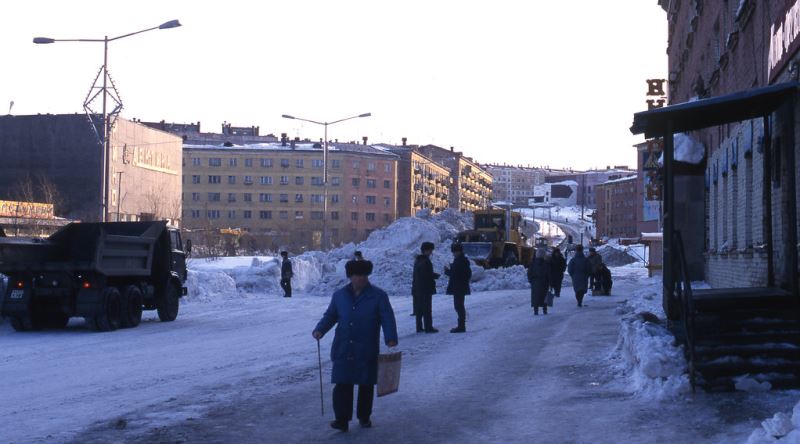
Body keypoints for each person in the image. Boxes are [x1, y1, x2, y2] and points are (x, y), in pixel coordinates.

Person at [312, 260, 398, 432]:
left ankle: (364, 416)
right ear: (350, 276)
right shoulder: (339, 295)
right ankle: (341, 420)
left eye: (364, 275)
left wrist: (390, 337)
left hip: (366, 347)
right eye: (358, 275)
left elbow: (387, 317)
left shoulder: (378, 296)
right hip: (344, 346)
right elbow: (331, 315)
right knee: (342, 383)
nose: (361, 279)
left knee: (365, 384)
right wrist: (320, 329)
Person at [444, 243, 472, 333]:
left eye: (454, 252)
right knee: (459, 306)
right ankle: (461, 325)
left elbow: (457, 274)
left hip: (459, 287)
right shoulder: (460, 260)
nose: (453, 254)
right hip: (459, 287)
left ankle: (461, 326)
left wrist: (448, 271)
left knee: (459, 306)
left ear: (458, 251)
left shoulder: (461, 261)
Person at [412, 241, 440, 333]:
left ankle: (419, 327)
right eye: (430, 250)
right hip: (425, 289)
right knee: (427, 309)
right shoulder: (426, 261)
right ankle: (428, 327)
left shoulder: (418, 260)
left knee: (419, 309)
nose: (431, 252)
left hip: (417, 288)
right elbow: (426, 275)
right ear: (426, 250)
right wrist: (435, 276)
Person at [528, 248, 550, 315]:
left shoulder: (533, 263)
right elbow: (549, 274)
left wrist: (531, 280)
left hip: (535, 282)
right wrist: (549, 281)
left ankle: (536, 310)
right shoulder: (546, 264)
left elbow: (529, 273)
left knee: (535, 296)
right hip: (544, 283)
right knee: (545, 296)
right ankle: (545, 309)